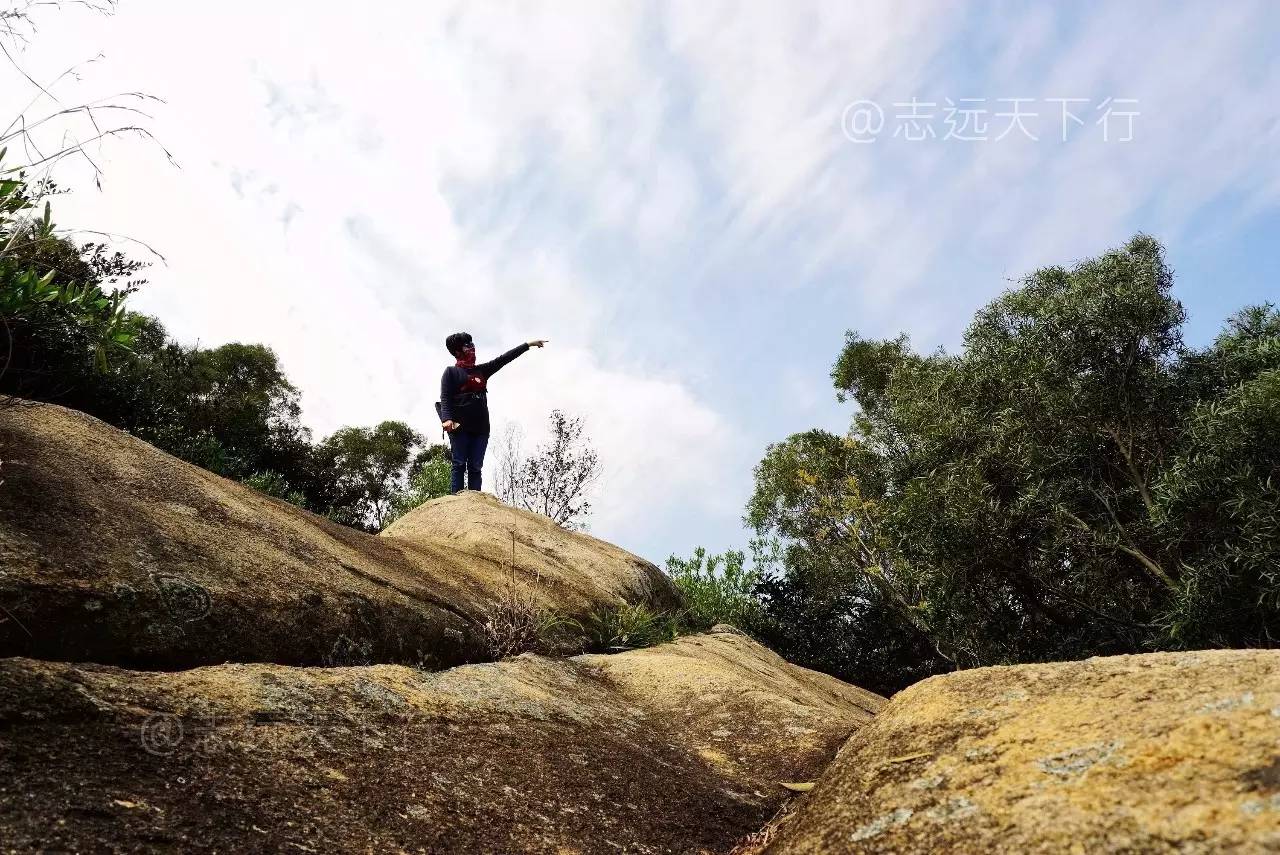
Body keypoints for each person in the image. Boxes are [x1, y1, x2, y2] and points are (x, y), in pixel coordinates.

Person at [438, 332, 546, 494]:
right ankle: (456, 501)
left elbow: (504, 359)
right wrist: (446, 419)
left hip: (481, 427)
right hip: (458, 426)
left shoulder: (481, 371)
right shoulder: (451, 372)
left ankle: (475, 502)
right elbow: (445, 397)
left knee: (476, 466)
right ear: (458, 351)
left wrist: (528, 345)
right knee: (459, 463)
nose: (472, 348)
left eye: (472, 344)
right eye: (467, 346)